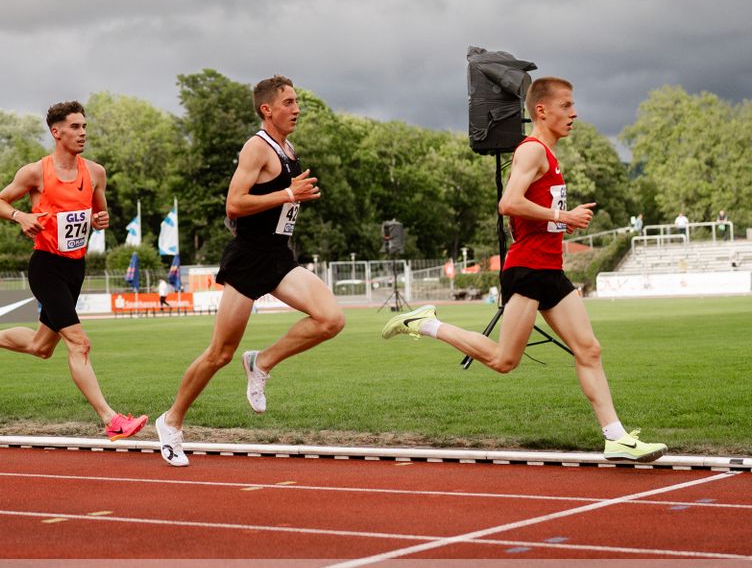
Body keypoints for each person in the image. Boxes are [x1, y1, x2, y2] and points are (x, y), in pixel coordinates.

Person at [383, 76, 667, 463]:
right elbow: (508, 202)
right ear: (541, 110)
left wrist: (558, 222)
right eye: (566, 105)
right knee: (504, 361)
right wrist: (561, 214)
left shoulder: (549, 155)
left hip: (550, 268)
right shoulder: (532, 150)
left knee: (589, 349)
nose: (574, 113)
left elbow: (531, 211)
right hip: (529, 268)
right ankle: (426, 323)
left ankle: (615, 437)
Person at [154, 76, 344, 467]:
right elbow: (234, 204)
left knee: (331, 319)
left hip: (277, 256)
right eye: (289, 102)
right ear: (267, 109)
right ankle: (171, 421)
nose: (296, 108)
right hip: (248, 259)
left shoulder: (287, 148)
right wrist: (290, 193)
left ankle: (262, 362)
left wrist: (291, 196)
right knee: (220, 353)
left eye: (297, 102)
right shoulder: (256, 148)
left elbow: (274, 204)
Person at [0, 100, 147, 441]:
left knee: (42, 346)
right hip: (46, 267)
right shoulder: (36, 172)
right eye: (75, 127)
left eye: (84, 126)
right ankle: (111, 419)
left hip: (76, 269)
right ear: (57, 132)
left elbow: (100, 216)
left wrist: (101, 221)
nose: (82, 132)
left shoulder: (95, 172)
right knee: (80, 344)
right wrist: (21, 216)